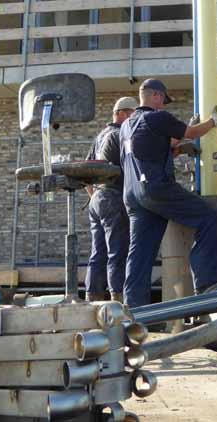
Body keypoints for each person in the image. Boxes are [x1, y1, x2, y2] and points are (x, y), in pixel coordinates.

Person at [119, 78, 217, 307]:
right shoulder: (158, 117)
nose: (164, 105)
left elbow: (149, 149)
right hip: (156, 188)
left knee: (139, 254)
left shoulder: (127, 125)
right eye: (163, 100)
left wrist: (174, 149)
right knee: (209, 219)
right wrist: (212, 122)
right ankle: (207, 284)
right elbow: (190, 132)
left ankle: (133, 311)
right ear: (157, 96)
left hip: (132, 194)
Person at [84, 96, 138, 302]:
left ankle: (93, 299)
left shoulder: (100, 136)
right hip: (114, 197)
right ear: (123, 114)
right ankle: (118, 301)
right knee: (117, 251)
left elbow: (85, 174)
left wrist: (96, 196)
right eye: (134, 115)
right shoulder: (120, 134)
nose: (136, 120)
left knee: (98, 253)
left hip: (97, 199)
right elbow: (136, 162)